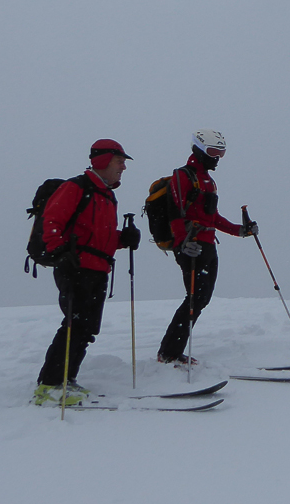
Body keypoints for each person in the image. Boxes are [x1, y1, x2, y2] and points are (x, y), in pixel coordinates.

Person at [34, 139, 141, 405]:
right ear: (103, 160)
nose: (123, 167)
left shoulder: (106, 196)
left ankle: (66, 380)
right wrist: (60, 253)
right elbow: (52, 221)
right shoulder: (76, 187)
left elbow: (99, 236)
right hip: (76, 267)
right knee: (75, 324)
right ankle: (49, 386)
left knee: (86, 328)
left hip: (98, 269)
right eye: (119, 161)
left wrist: (123, 239)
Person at [155, 129, 258, 364]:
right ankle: (168, 353)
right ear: (199, 150)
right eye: (213, 152)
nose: (217, 158)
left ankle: (171, 351)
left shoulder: (209, 182)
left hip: (208, 245)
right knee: (195, 297)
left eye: (221, 153)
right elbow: (174, 211)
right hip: (191, 245)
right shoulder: (182, 176)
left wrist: (240, 230)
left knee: (202, 298)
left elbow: (213, 218)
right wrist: (183, 242)